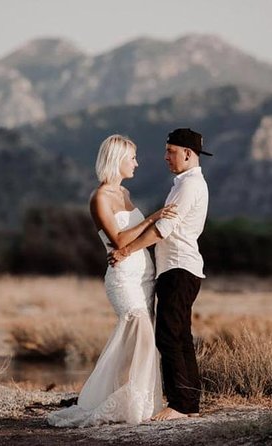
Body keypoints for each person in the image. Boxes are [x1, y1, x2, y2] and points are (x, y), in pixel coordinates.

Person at [47, 134, 177, 427]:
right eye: (132, 158)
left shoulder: (125, 195)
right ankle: (123, 402)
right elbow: (118, 240)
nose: (137, 163)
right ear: (116, 160)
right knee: (140, 333)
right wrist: (152, 218)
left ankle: (138, 401)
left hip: (144, 275)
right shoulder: (100, 197)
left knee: (142, 343)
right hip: (122, 278)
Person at [108, 128, 211, 421]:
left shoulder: (188, 186)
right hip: (180, 268)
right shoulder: (186, 183)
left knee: (168, 336)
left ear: (187, 154)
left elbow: (161, 230)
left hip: (179, 268)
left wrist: (126, 251)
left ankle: (180, 404)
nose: (165, 157)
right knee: (180, 336)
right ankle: (189, 402)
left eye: (170, 151)